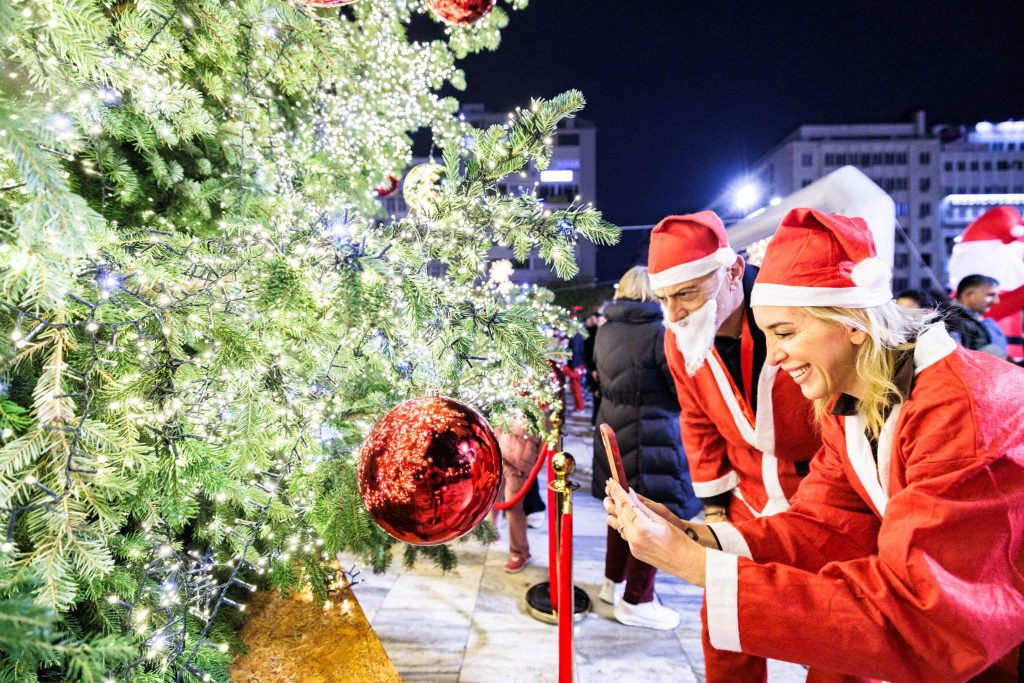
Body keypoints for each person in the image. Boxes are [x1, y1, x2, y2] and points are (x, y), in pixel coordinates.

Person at [606, 207, 1024, 681]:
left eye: (784, 333)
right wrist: (698, 536)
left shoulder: (965, 411)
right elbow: (826, 523)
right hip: (755, 494)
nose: (775, 354)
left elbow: (928, 618)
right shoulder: (848, 401)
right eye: (766, 335)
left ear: (851, 321)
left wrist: (694, 563)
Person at [647, 212, 821, 681]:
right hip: (745, 496)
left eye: (687, 292)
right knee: (725, 623)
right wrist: (716, 511)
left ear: (733, 272)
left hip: (823, 496)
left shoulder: (790, 317)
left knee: (833, 635)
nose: (675, 312)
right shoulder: (676, 337)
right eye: (664, 298)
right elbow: (699, 422)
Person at [590, 266, 700, 629]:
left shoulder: (606, 329)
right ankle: (637, 600)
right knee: (653, 517)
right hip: (653, 435)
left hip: (613, 431)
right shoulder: (660, 333)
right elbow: (679, 389)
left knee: (619, 511)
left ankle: (612, 583)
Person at [493, 415, 543, 573]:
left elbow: (543, 441)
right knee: (493, 497)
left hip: (519, 466)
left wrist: (531, 467)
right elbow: (497, 427)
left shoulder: (538, 411)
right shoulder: (506, 401)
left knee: (514, 509)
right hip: (501, 458)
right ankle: (492, 531)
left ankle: (519, 552)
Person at [946, 274, 1009, 358]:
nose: (996, 301)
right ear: (968, 295)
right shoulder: (952, 321)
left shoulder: (980, 321)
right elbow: (955, 358)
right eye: (990, 295)